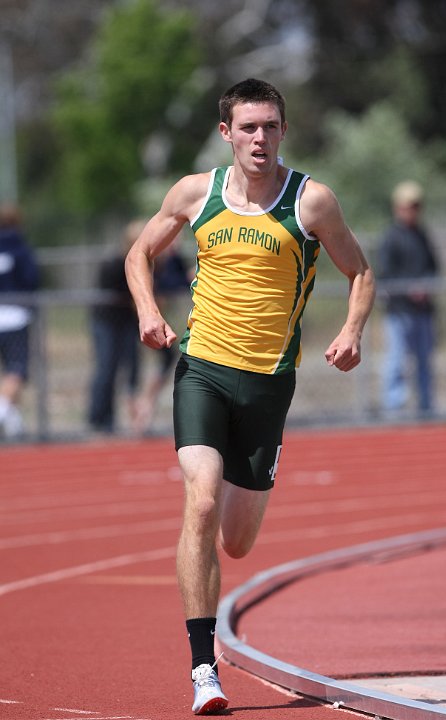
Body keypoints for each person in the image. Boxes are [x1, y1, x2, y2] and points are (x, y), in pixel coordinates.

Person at [125, 78, 375, 714]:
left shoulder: (310, 201)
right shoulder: (195, 193)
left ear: (283, 130)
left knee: (236, 543)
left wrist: (350, 331)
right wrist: (149, 310)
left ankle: (252, 486)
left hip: (268, 385)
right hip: (202, 368)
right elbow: (140, 253)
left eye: (270, 126)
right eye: (249, 127)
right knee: (201, 504)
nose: (260, 138)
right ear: (227, 133)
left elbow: (361, 271)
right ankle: (203, 669)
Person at [378, 180, 439, 416]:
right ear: (398, 208)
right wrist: (408, 288)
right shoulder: (391, 237)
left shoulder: (423, 235)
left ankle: (426, 406)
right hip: (399, 311)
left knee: (424, 360)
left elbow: (434, 266)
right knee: (396, 360)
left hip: (423, 311)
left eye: (417, 205)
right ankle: (394, 408)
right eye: (409, 205)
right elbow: (386, 272)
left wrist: (425, 285)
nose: (413, 210)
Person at [87, 220, 144, 434]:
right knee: (106, 368)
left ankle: (130, 415)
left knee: (132, 367)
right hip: (106, 323)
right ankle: (99, 417)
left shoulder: (148, 264)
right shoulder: (115, 263)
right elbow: (119, 294)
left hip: (127, 323)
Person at [134, 241, 192, 435]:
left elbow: (182, 283)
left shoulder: (174, 261)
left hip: (175, 322)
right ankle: (144, 406)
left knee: (166, 366)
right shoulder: (155, 264)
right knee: (159, 366)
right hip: (158, 322)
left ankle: (146, 407)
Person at [0, 204, 40, 439]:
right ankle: (4, 411)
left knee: (10, 372)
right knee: (16, 369)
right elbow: (31, 279)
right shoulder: (20, 249)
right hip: (15, 316)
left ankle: (14, 423)